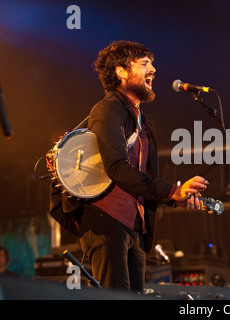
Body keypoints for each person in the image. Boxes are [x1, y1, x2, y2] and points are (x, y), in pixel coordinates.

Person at [50, 40, 208, 292]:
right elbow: (117, 167)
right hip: (106, 220)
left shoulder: (143, 120)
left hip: (135, 225)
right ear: (121, 71)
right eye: (145, 64)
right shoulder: (107, 109)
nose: (153, 70)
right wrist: (172, 191)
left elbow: (141, 176)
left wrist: (175, 198)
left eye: (152, 63)